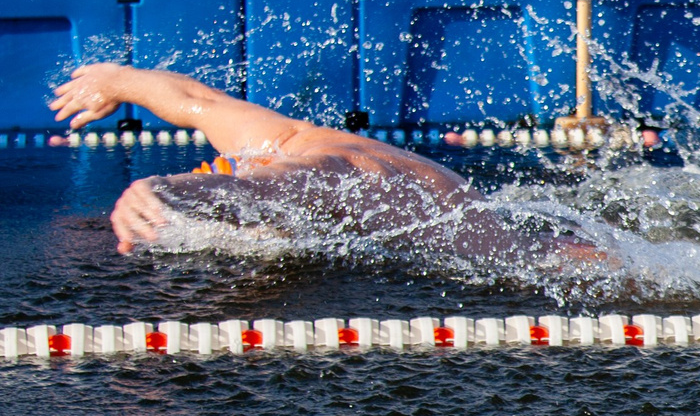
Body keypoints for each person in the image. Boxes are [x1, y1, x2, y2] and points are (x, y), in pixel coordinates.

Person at [51, 64, 577, 264]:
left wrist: (155, 188)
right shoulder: (278, 140)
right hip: (513, 225)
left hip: (534, 263)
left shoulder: (317, 175)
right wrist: (117, 81)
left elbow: (252, 194)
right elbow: (195, 101)